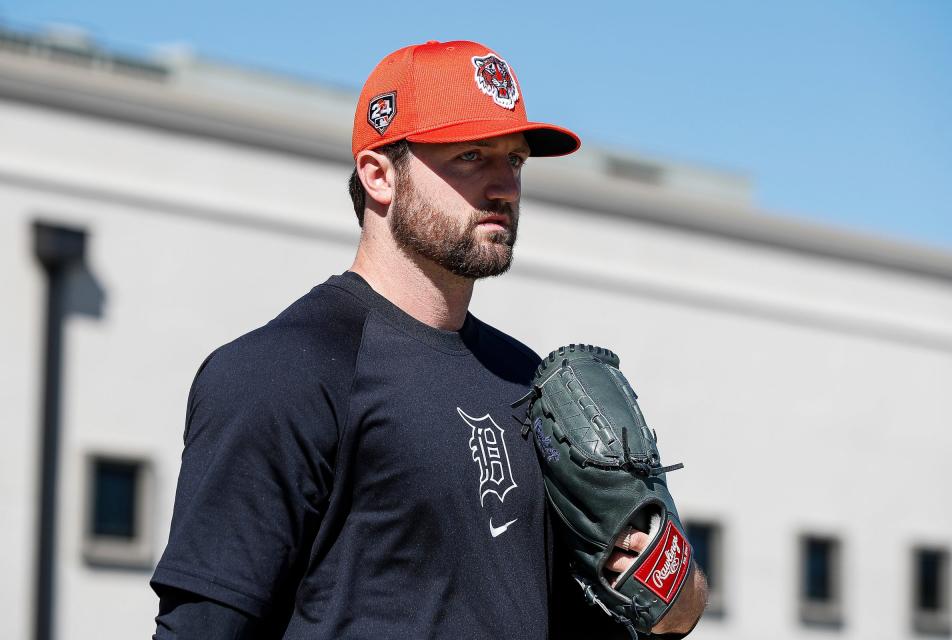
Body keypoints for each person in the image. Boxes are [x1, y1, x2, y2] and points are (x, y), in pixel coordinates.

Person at [151, 40, 707, 639]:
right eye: (472, 156)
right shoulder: (283, 372)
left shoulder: (526, 384)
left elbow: (637, 620)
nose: (505, 188)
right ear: (379, 176)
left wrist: (673, 586)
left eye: (515, 161)